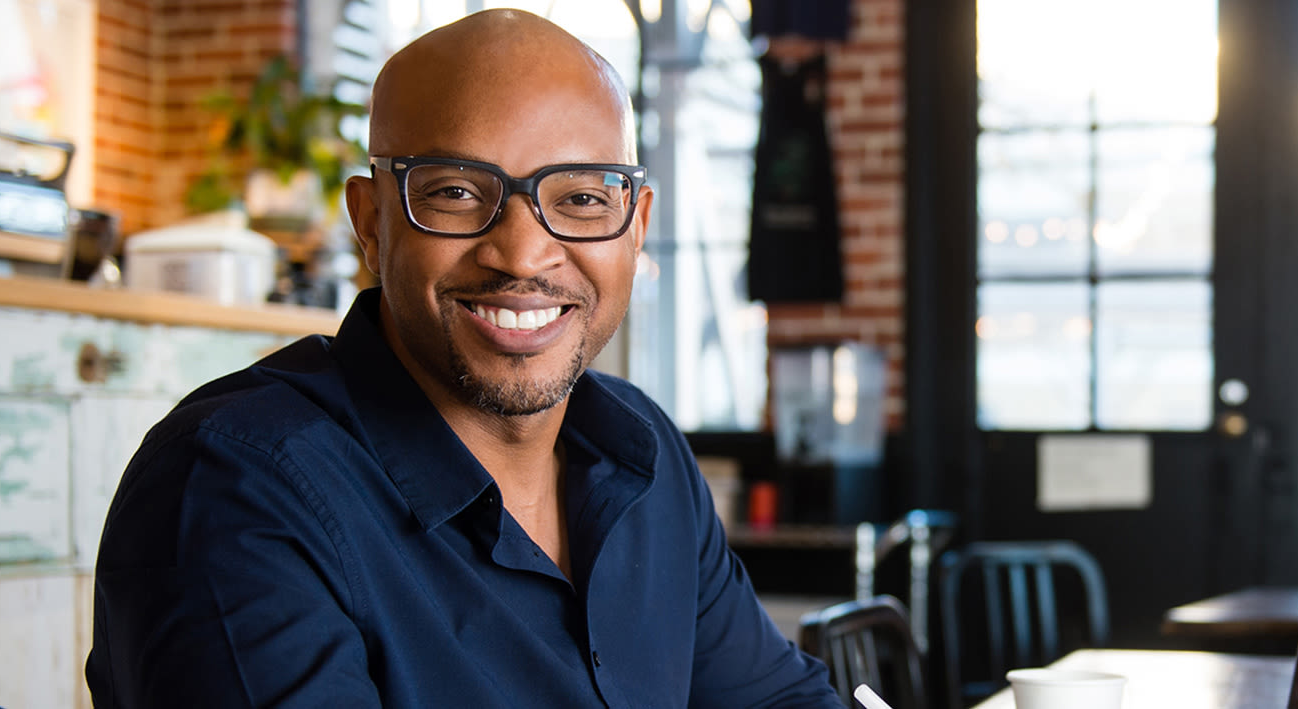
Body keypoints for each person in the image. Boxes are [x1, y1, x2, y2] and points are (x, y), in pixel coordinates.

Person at [84, 11, 839, 707]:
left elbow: (777, 699)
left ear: (634, 229)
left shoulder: (641, 453)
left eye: (580, 198)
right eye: (454, 191)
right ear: (372, 223)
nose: (521, 252)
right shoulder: (234, 493)